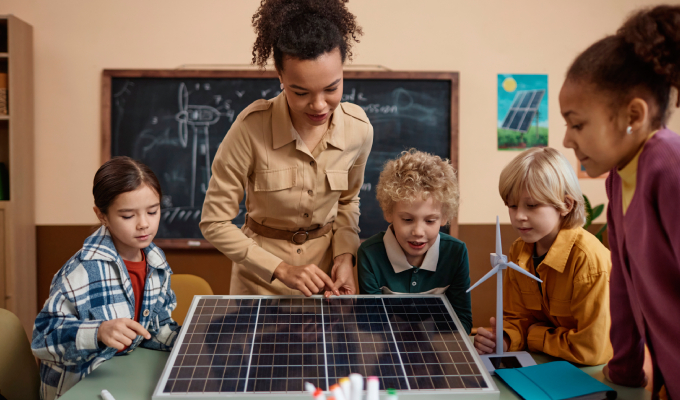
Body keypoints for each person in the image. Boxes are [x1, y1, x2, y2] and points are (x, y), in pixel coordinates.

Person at [560, 5, 680, 398]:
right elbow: (624, 285)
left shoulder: (673, 166)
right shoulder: (619, 180)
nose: (568, 139)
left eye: (578, 123)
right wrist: (623, 370)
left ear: (632, 115)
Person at [200, 0, 372, 297]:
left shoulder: (359, 130)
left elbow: (348, 202)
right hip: (259, 285)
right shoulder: (249, 129)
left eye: (332, 88)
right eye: (301, 92)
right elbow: (214, 222)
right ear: (280, 76)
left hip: (326, 284)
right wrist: (281, 269)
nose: (319, 105)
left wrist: (345, 255)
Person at [32, 157, 179, 399]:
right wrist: (98, 332)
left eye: (153, 211)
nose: (144, 224)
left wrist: (193, 340)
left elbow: (155, 327)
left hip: (123, 377)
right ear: (102, 215)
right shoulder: (81, 272)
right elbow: (42, 339)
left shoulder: (156, 261)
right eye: (128, 216)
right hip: (78, 388)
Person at [473, 148, 612, 366]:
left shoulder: (588, 260)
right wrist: (505, 339)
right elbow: (516, 318)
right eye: (512, 205)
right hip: (545, 363)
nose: (519, 216)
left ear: (566, 205)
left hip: (591, 373)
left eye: (532, 205)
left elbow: (591, 349)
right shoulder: (519, 251)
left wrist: (534, 335)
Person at [357, 149, 472, 332]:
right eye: (407, 220)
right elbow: (371, 324)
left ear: (445, 217)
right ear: (389, 213)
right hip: (387, 352)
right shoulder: (370, 254)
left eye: (430, 221)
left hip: (437, 350)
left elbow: (461, 322)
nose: (418, 232)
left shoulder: (455, 253)